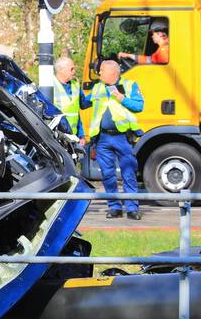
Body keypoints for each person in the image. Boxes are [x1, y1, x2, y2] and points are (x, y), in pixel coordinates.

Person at [83, 59, 145, 220]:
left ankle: (132, 208)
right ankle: (114, 207)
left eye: (102, 70)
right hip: (102, 138)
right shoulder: (97, 88)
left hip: (123, 138)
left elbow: (139, 106)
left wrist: (122, 98)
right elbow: (83, 103)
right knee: (107, 174)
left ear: (112, 72)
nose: (99, 73)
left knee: (128, 173)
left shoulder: (130, 85)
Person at [52, 56, 86, 139]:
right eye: (71, 69)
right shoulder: (49, 86)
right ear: (61, 70)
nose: (74, 72)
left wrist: (81, 134)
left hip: (73, 137)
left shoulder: (76, 86)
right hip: (57, 137)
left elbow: (77, 113)